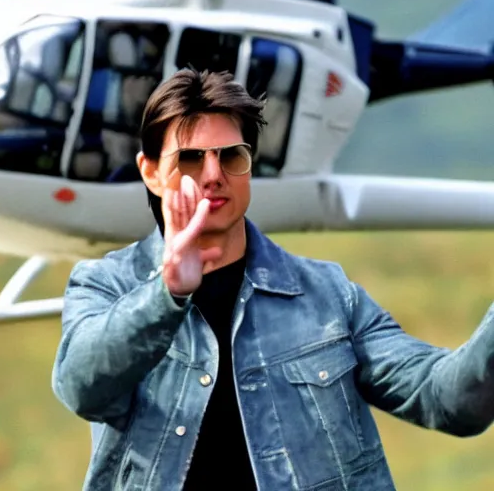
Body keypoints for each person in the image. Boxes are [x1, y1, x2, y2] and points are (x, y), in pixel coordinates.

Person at [52, 68, 494, 491]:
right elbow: (80, 387)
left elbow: (450, 401)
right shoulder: (105, 284)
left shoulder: (328, 296)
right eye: (190, 158)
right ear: (150, 171)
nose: (213, 175)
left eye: (231, 156)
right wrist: (167, 294)